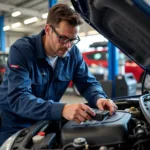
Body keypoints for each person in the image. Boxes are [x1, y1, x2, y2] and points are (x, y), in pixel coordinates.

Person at [0, 3, 117, 145]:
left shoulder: (73, 53)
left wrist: (99, 98)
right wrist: (61, 109)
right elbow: (19, 98)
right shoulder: (22, 51)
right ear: (48, 29)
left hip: (45, 120)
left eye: (73, 40)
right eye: (63, 38)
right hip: (15, 123)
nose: (68, 45)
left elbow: (87, 83)